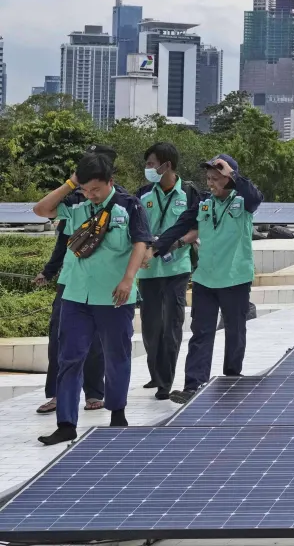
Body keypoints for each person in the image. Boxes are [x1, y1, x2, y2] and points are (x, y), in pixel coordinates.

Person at [32, 153, 151, 445]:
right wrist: (72, 182)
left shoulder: (128, 206)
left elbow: (141, 243)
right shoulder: (77, 207)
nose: (91, 195)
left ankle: (117, 413)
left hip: (113, 296)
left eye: (96, 189)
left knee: (116, 356)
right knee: (69, 359)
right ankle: (66, 424)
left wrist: (128, 280)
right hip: (75, 296)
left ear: (111, 182)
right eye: (85, 189)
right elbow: (40, 209)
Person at [154, 155, 263, 404]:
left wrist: (233, 175)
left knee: (235, 331)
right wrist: (157, 247)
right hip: (205, 278)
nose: (211, 183)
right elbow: (181, 226)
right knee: (201, 332)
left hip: (235, 278)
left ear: (228, 177)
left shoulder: (243, 201)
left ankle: (232, 376)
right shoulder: (204, 202)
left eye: (216, 178)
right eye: (209, 178)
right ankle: (193, 384)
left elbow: (257, 198)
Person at [34, 144, 122, 415]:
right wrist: (49, 271)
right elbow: (60, 236)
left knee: (94, 342)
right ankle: (58, 394)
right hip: (72, 283)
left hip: (102, 284)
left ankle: (95, 392)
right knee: (59, 338)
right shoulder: (75, 201)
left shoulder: (123, 203)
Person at [135, 143, 200, 400]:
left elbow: (199, 227)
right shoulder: (142, 195)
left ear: (167, 166)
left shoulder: (190, 192)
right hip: (149, 269)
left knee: (172, 325)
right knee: (151, 328)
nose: (148, 169)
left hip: (177, 267)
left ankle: (165, 382)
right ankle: (156, 373)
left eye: (151, 164)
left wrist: (178, 242)